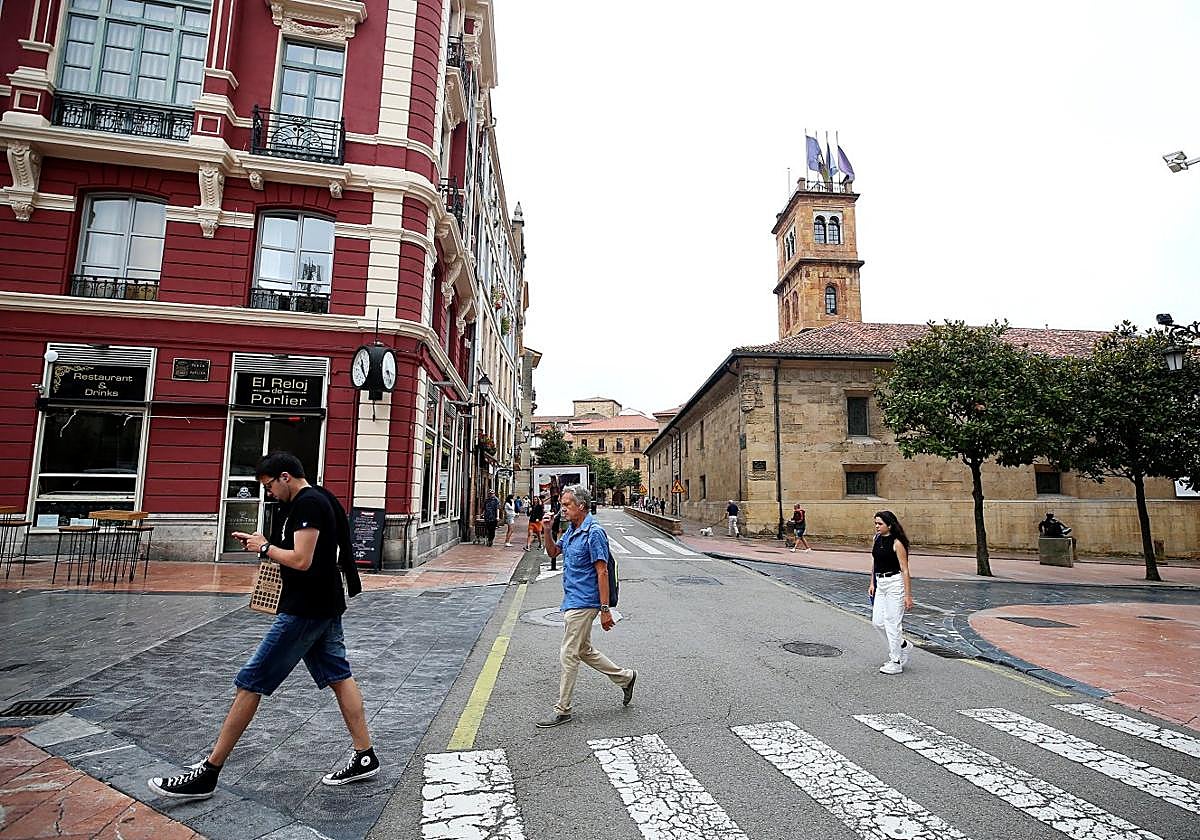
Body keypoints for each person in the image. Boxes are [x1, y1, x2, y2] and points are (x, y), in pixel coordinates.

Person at [148, 452, 378, 801]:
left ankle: (208, 773)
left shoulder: (308, 503)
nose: (268, 493)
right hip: (322, 605)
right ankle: (365, 756)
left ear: (285, 477)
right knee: (338, 676)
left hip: (305, 610)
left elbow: (302, 560)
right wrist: (263, 546)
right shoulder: (318, 498)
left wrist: (265, 546)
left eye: (269, 486)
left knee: (250, 682)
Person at [536, 484, 636, 728]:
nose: (563, 509)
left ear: (581, 506)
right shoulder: (572, 530)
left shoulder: (594, 532)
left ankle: (563, 709)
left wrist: (605, 609)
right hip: (572, 599)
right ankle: (625, 677)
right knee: (583, 650)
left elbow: (602, 571)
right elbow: (553, 552)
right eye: (562, 505)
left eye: (567, 505)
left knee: (568, 653)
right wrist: (547, 530)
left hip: (585, 602)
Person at [868, 510, 913, 675]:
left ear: (890, 525)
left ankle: (895, 661)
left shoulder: (897, 543)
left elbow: (905, 570)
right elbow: (875, 562)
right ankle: (903, 645)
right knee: (878, 622)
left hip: (895, 584)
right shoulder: (877, 538)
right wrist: (872, 583)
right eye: (875, 523)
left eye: (880, 524)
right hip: (880, 583)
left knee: (892, 623)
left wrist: (907, 595)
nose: (877, 526)